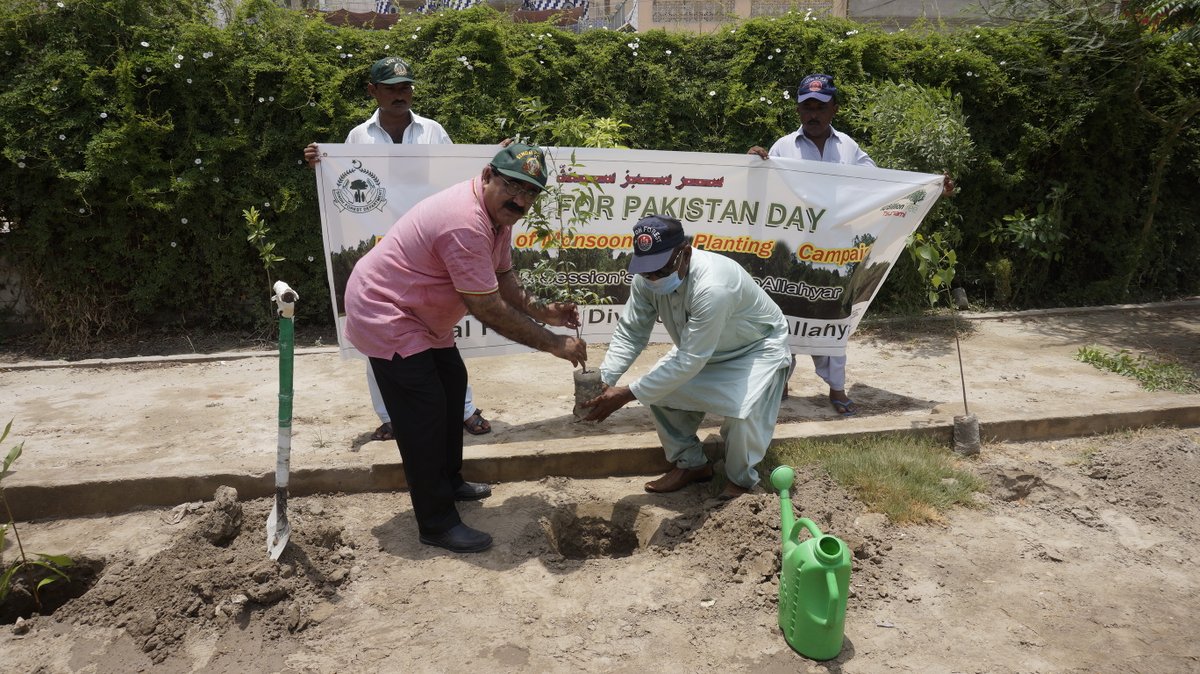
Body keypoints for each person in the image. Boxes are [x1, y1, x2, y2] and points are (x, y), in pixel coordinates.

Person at [343, 143, 587, 553]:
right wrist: (554, 344)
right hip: (386, 310)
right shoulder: (465, 222)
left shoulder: (498, 219)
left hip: (422, 313)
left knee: (452, 386)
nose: (521, 200)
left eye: (531, 193)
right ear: (488, 175)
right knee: (423, 413)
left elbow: (504, 279)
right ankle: (436, 522)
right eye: (513, 186)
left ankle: (449, 481)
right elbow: (488, 307)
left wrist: (545, 312)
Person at [304, 55, 493, 441]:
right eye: (390, 88)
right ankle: (390, 415)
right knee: (380, 335)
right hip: (383, 253)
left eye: (405, 87)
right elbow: (348, 185)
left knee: (442, 334)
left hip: (429, 250)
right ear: (372, 91)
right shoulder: (358, 138)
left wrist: (492, 160)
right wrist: (321, 164)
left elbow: (458, 179)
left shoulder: (432, 132)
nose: (400, 95)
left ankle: (463, 409)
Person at [748, 73, 954, 417]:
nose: (813, 114)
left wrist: (930, 187)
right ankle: (780, 381)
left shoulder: (848, 148)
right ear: (799, 111)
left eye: (820, 107)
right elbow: (765, 192)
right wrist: (755, 162)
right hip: (792, 251)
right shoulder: (783, 147)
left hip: (835, 253)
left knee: (833, 316)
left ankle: (836, 389)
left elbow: (880, 186)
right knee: (783, 317)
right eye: (806, 107)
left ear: (834, 109)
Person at [581, 215, 792, 501]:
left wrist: (627, 394)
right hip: (700, 349)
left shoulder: (713, 286)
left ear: (686, 252)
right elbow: (631, 333)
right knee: (659, 392)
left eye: (661, 269)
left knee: (743, 413)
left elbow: (691, 359)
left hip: (755, 348)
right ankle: (692, 464)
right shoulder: (646, 282)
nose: (654, 279)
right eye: (647, 272)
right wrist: (604, 381)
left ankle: (741, 481)